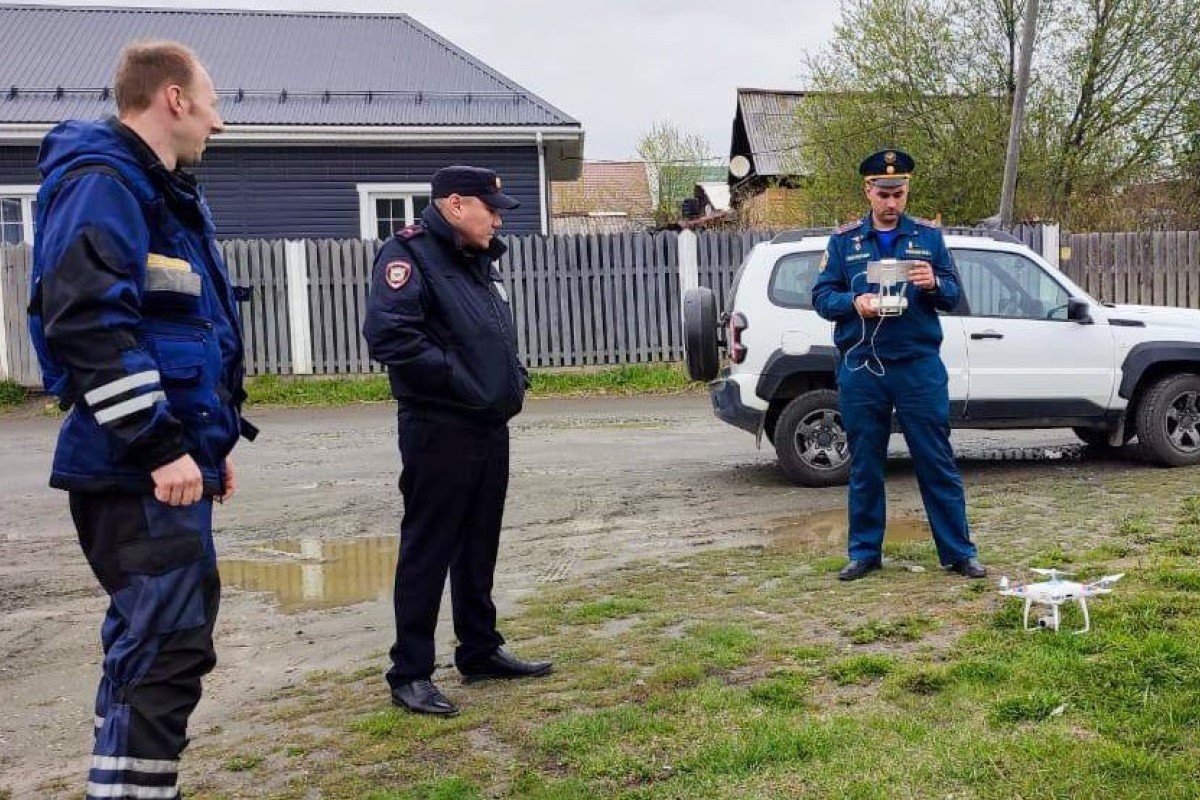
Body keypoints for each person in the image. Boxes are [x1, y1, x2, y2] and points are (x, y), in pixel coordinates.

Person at [28, 41, 254, 799]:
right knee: (166, 648)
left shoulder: (159, 193)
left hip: (158, 464)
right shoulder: (105, 184)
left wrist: (208, 446)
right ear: (175, 99)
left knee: (149, 645)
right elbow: (87, 323)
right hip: (133, 469)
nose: (218, 123)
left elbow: (178, 329)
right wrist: (160, 447)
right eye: (212, 104)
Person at [363, 165, 552, 717]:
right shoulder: (408, 255)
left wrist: (511, 377)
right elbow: (390, 337)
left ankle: (479, 649)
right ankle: (410, 672)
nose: (498, 220)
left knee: (478, 542)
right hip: (439, 426)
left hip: (487, 424)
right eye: (490, 209)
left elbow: (490, 336)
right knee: (429, 547)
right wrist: (463, 382)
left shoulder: (477, 259)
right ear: (454, 205)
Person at [811, 149, 986, 582]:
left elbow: (954, 297)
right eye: (884, 194)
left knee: (936, 460)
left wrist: (935, 283)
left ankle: (958, 553)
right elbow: (821, 297)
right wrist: (855, 302)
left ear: (907, 191)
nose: (892, 203)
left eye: (899, 194)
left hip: (917, 367)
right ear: (868, 191)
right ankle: (865, 553)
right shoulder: (844, 241)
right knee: (865, 465)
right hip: (862, 366)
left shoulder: (928, 238)